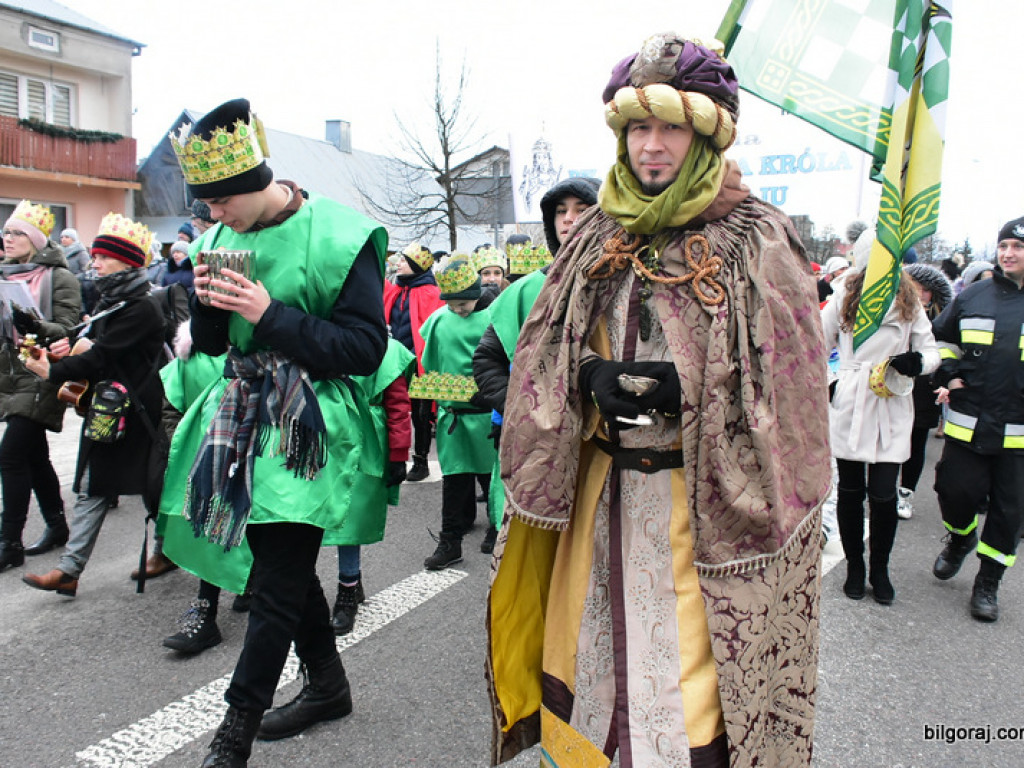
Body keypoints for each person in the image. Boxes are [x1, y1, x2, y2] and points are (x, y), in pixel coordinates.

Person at [488, 34, 831, 767]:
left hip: (698, 510)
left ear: (705, 134)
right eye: (638, 127)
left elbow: (793, 391)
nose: (651, 146)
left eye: (670, 127)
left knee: (683, 683)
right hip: (600, 494)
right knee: (587, 650)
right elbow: (545, 351)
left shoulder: (757, 238)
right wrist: (588, 377)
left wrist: (691, 396)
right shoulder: (595, 233)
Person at [158, 98, 388, 766]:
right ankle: (328, 685)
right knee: (275, 567)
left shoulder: (340, 235)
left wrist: (269, 314)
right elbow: (211, 344)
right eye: (205, 205)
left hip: (307, 421)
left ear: (256, 182)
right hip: (238, 413)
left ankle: (233, 734)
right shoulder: (214, 242)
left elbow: (364, 349)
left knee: (279, 573)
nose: (213, 216)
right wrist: (206, 307)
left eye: (222, 202)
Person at [21, 212, 167, 597]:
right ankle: (70, 570)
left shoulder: (142, 306)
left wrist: (52, 371)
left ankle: (165, 550)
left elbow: (102, 356)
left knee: (155, 488)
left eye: (103, 257)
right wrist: (64, 350)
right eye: (96, 255)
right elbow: (96, 351)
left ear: (127, 262)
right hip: (111, 409)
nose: (94, 262)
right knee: (94, 484)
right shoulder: (114, 298)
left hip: (139, 414)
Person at [472, 177, 601, 553]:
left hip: (602, 446)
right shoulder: (524, 291)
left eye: (581, 209)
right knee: (531, 553)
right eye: (560, 211)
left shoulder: (626, 284)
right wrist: (520, 410)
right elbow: (488, 359)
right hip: (536, 447)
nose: (569, 219)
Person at [822, 230, 939, 605]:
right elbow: (815, 343)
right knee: (850, 490)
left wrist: (916, 362)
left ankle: (880, 568)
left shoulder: (907, 297)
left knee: (884, 493)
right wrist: (831, 383)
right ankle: (855, 567)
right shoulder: (843, 293)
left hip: (890, 399)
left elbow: (931, 351)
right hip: (851, 397)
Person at [929, 216, 1024, 622]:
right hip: (969, 420)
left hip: (1018, 433)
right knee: (954, 491)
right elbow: (941, 339)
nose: (1008, 253)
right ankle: (960, 539)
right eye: (1004, 246)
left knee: (1008, 513)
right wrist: (950, 375)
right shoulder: (973, 296)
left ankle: (988, 583)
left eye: (1017, 247)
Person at [0, 201, 81, 571]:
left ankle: (9, 543)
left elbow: (68, 327)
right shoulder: (5, 274)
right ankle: (57, 525)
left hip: (43, 372)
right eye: (6, 231)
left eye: (16, 232)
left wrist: (32, 323)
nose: (7, 238)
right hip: (11, 374)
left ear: (33, 239)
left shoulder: (59, 277)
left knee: (10, 454)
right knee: (34, 455)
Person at [325, 337, 414, 634]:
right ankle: (348, 583)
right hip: (329, 437)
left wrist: (399, 454)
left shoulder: (386, 349)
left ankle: (347, 590)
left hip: (367, 442)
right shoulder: (324, 336)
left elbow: (398, 405)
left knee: (351, 521)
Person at [419, 256, 496, 569]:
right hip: (453, 416)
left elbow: (506, 361)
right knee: (453, 482)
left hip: (485, 414)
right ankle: (450, 541)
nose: (458, 310)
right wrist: (429, 403)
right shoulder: (439, 319)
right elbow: (431, 364)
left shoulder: (493, 316)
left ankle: (497, 527)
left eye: (463, 304)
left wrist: (492, 394)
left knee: (491, 478)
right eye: (452, 305)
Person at [383, 242, 444, 482]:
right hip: (395, 362)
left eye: (404, 260)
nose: (398, 263)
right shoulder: (395, 290)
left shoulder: (431, 293)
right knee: (395, 410)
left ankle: (421, 460)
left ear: (417, 265)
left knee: (421, 414)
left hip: (420, 364)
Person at [897, 263, 953, 518]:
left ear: (934, 294)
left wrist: (945, 380)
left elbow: (948, 352)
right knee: (888, 439)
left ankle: (905, 493)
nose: (919, 293)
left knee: (917, 442)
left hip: (925, 388)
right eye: (914, 287)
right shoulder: (895, 312)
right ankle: (881, 490)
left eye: (925, 289)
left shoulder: (941, 321)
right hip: (895, 385)